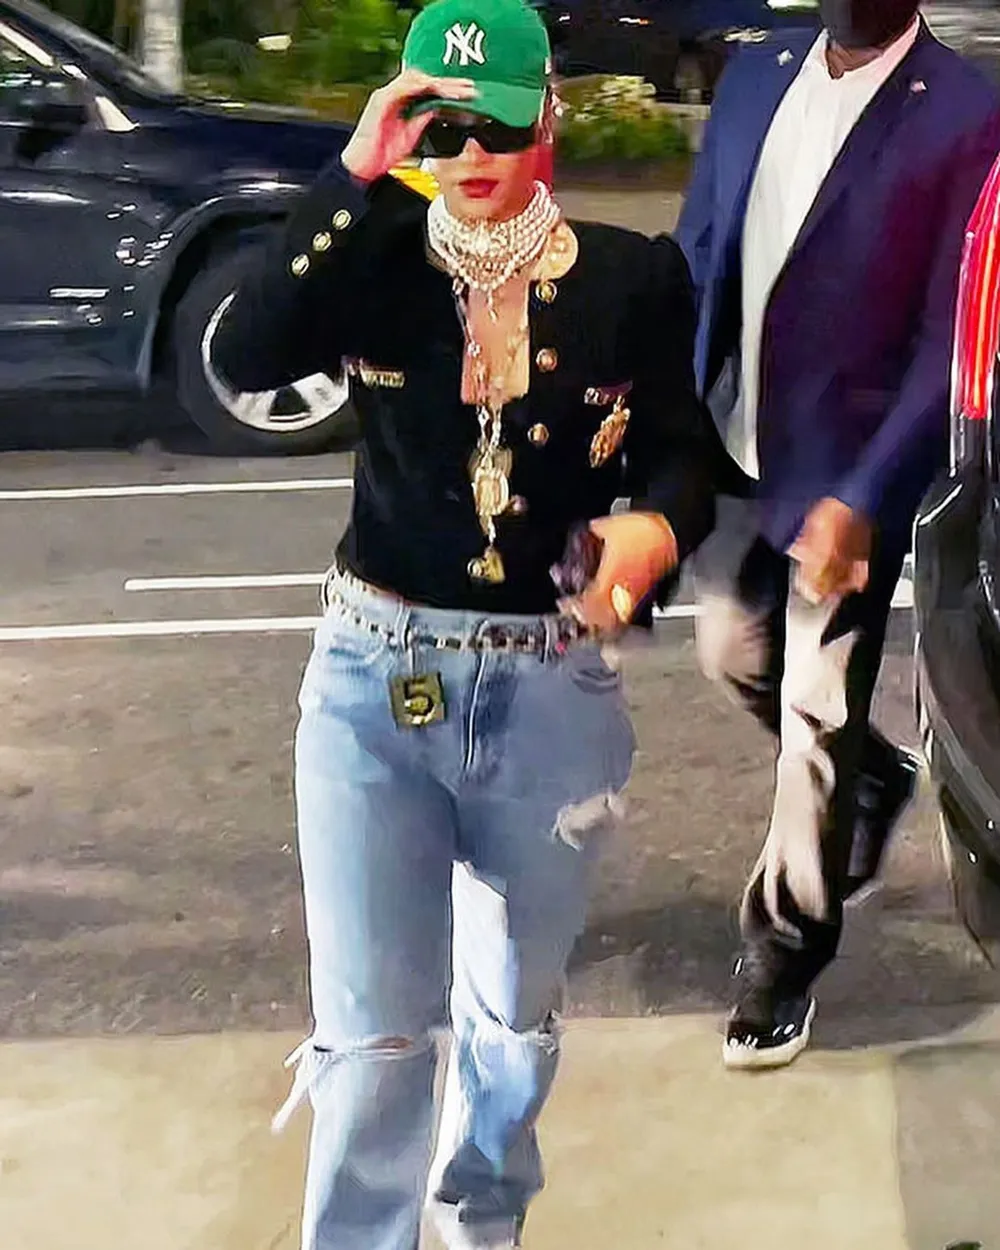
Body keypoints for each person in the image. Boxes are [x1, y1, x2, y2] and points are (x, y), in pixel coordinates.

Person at [212, 0, 722, 1244]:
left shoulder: (629, 275)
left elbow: (681, 456)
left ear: (547, 116)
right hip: (371, 680)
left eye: (497, 124)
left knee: (511, 1017)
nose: (473, 152)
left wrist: (653, 533)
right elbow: (252, 352)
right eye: (444, 127)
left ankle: (481, 1222)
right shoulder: (375, 251)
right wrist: (355, 167)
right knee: (372, 1037)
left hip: (549, 687)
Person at [674, 0, 1000, 1071]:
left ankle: (784, 951)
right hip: (736, 443)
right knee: (729, 652)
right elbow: (700, 246)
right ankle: (873, 779)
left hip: (850, 477)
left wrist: (867, 492)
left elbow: (946, 335)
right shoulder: (758, 71)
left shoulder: (965, 112)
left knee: (813, 712)